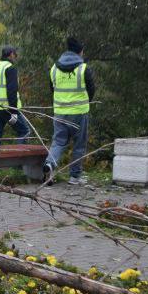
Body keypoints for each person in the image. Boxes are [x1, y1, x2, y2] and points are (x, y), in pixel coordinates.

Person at [42, 37, 96, 186]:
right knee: (79, 145)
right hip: (79, 113)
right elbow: (91, 90)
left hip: (59, 113)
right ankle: (74, 177)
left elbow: (52, 90)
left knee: (58, 142)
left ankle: (50, 164)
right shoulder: (83, 68)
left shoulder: (54, 68)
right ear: (80, 52)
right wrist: (85, 102)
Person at [0, 46, 30, 145]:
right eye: (15, 54)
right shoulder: (10, 68)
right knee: (24, 131)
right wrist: (14, 111)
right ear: (11, 54)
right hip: (7, 109)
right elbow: (12, 91)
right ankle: (19, 159)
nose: (16, 57)